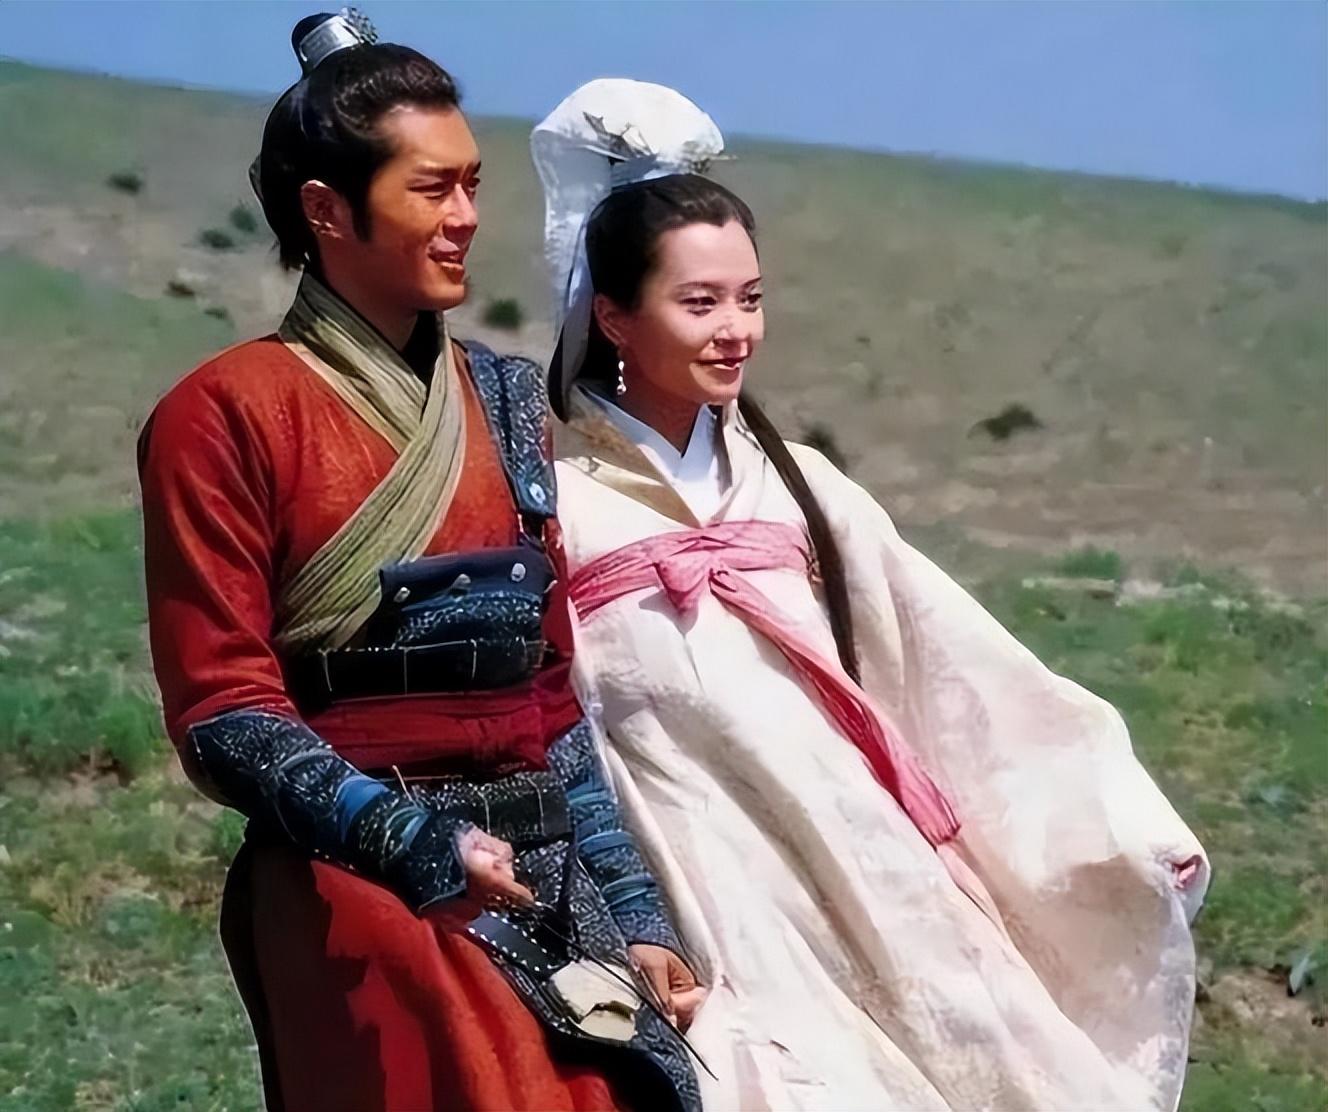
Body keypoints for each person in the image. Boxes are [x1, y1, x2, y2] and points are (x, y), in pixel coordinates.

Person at [533, 79, 1211, 1112]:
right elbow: (552, 720)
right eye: (700, 302)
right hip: (712, 893)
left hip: (873, 871)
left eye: (751, 298)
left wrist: (1111, 821)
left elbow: (955, 663)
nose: (735, 330)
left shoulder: (797, 485)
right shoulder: (556, 503)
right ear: (614, 317)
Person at [137, 20, 701, 1112]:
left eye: (473, 184)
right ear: (326, 210)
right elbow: (221, 708)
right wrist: (406, 839)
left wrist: (637, 912)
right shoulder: (222, 414)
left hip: (546, 869)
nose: (466, 217)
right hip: (359, 882)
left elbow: (547, 691)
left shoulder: (507, 398)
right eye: (431, 189)